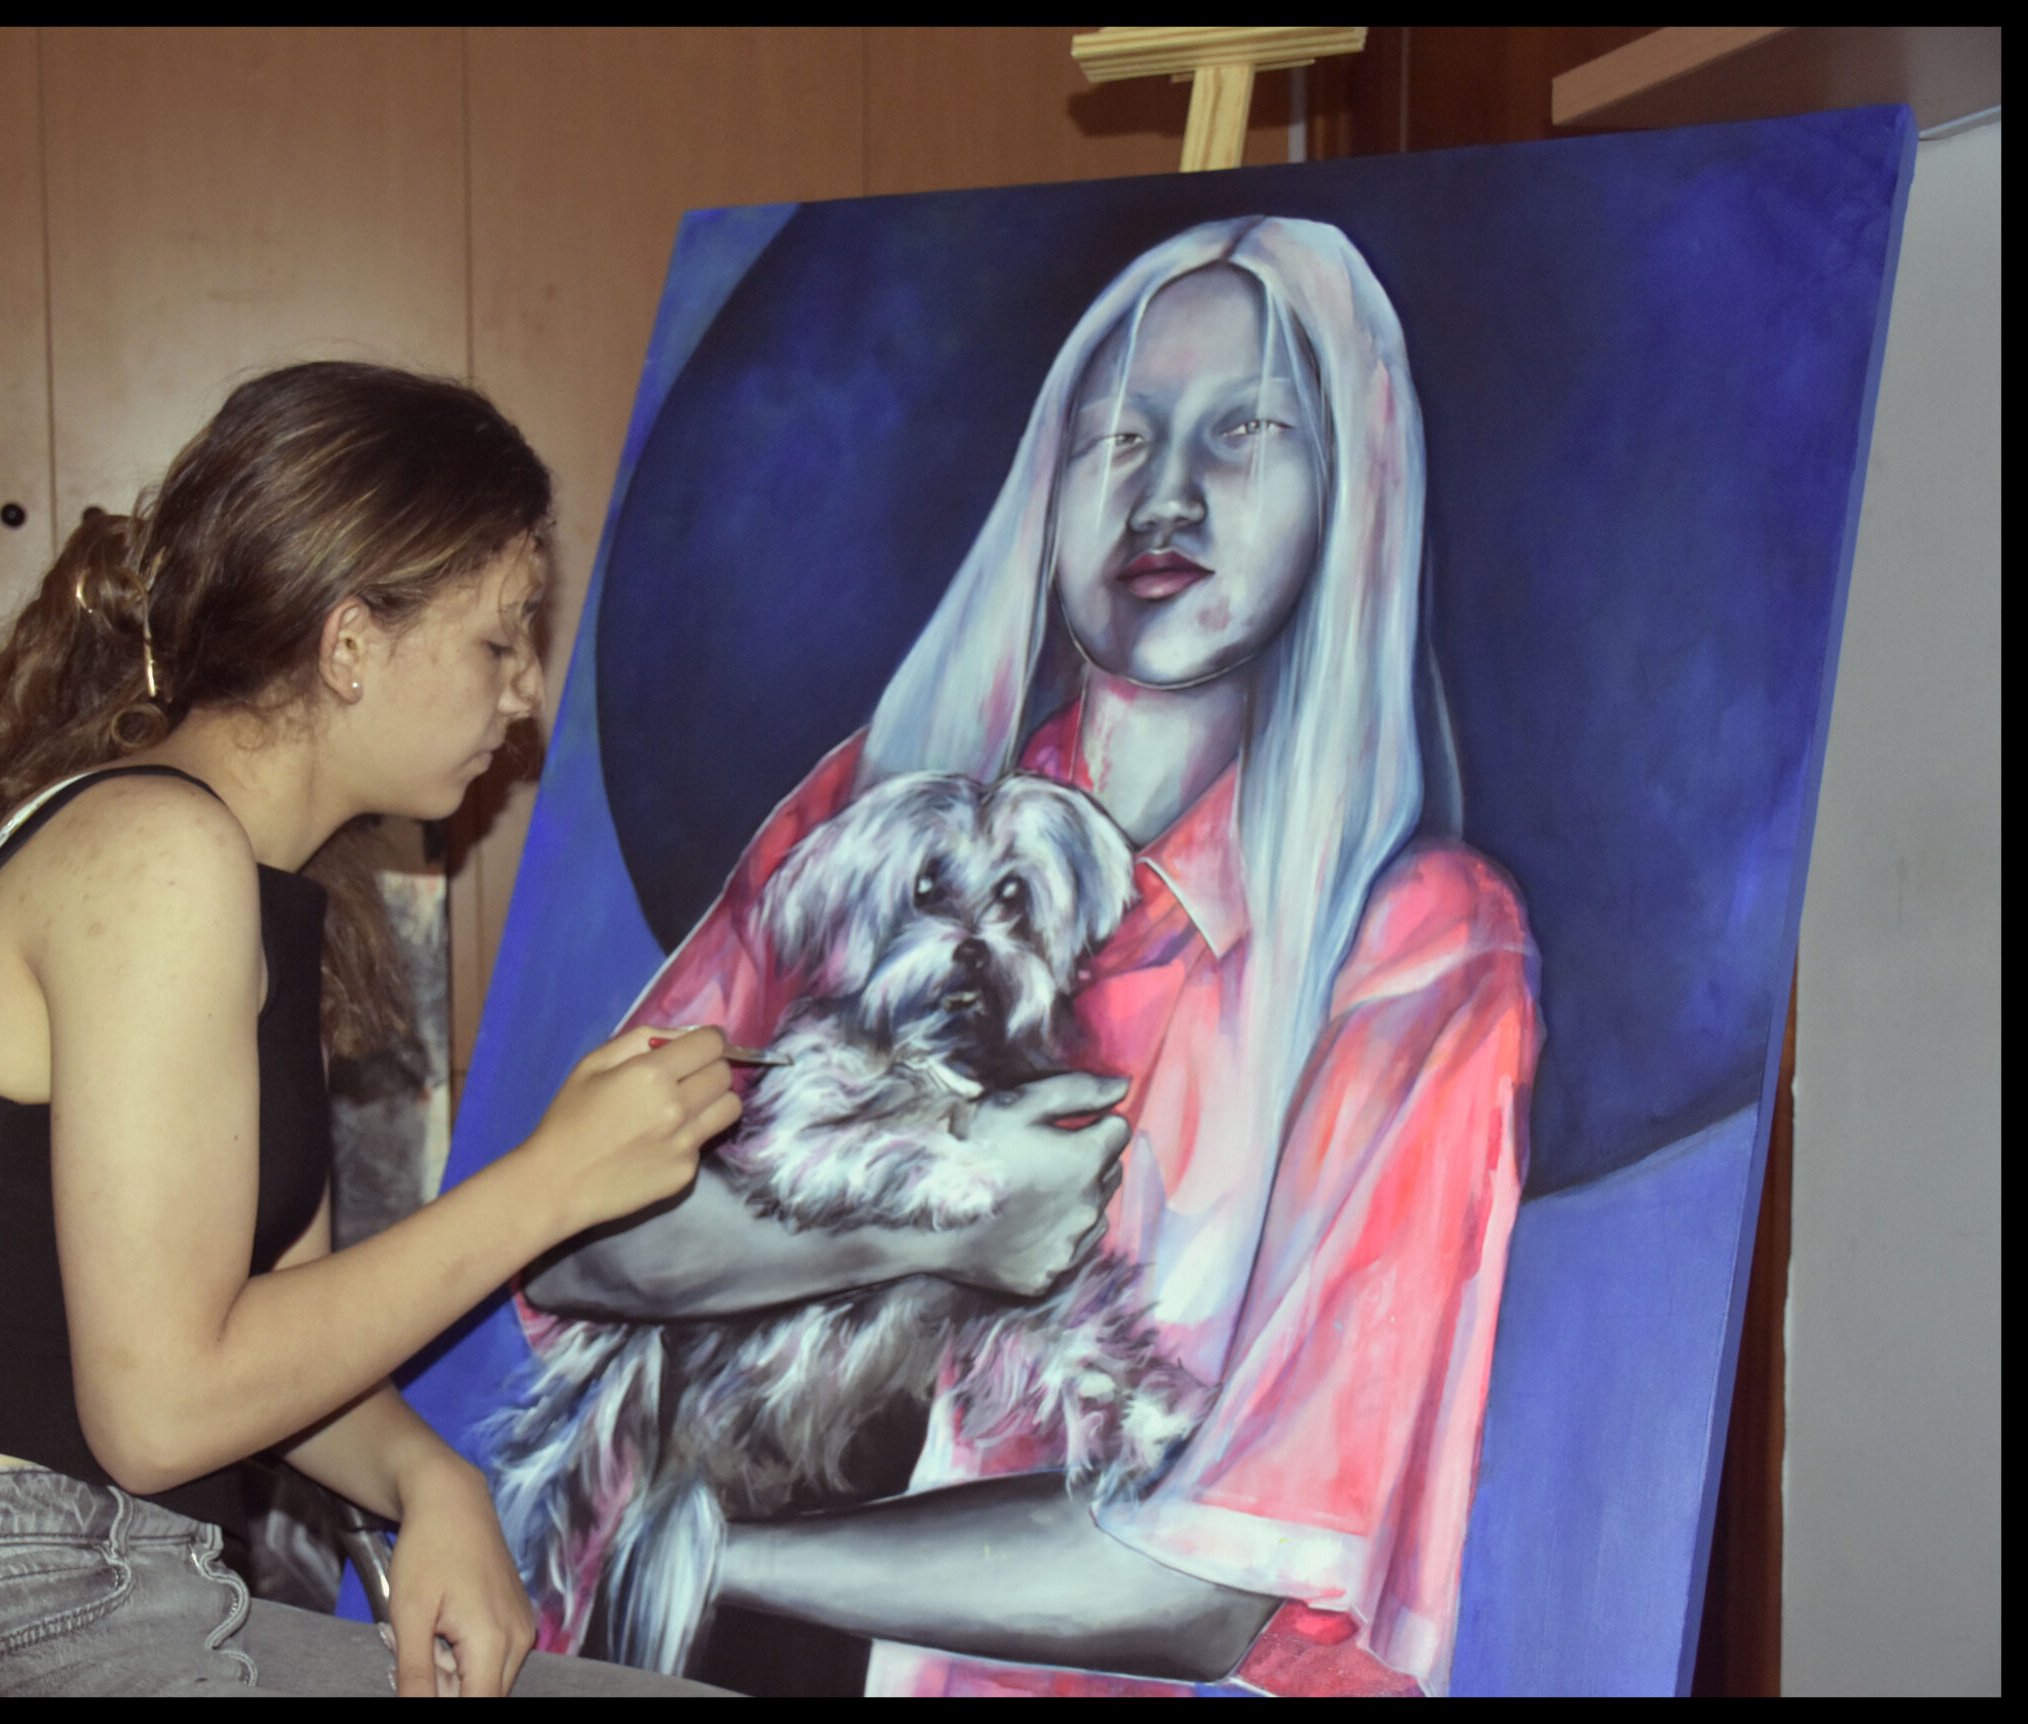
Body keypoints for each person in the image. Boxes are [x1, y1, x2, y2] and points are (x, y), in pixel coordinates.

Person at [519, 216, 1541, 1696]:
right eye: (1116, 435)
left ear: (1357, 489)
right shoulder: (879, 812)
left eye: (1245, 430)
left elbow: (1228, 1570)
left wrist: (716, 1556)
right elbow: (569, 1230)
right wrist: (937, 1228)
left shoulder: (1421, 951)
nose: (1166, 493)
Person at [0, 363, 740, 1697]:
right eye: (500, 642)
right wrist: (552, 1184)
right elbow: (162, 1410)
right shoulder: (156, 851)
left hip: (101, 1583)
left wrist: (431, 1481)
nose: (526, 693)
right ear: (351, 645)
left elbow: (270, 1348)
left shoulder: (258, 905)